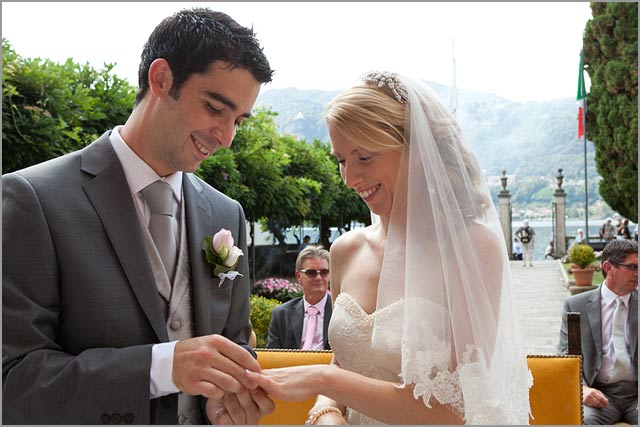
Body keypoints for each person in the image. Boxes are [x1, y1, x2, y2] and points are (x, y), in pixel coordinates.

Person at [2, 8, 275, 425]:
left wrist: (227, 402)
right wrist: (161, 367)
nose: (227, 137)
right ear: (161, 78)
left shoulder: (227, 213)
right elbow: (13, 380)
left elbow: (235, 347)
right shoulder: (32, 198)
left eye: (238, 120)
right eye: (215, 108)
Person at [240, 72, 532, 424]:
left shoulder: (471, 248)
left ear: (416, 150)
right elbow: (346, 362)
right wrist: (327, 412)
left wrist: (322, 378)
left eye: (364, 157)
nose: (349, 179)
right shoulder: (346, 250)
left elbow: (457, 408)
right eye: (342, 160)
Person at [558, 239, 638, 425]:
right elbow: (565, 356)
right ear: (609, 267)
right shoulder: (576, 306)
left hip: (636, 394)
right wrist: (582, 388)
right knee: (583, 421)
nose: (637, 273)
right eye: (632, 267)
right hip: (598, 394)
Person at [266, 245, 332, 350]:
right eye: (311, 272)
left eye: (324, 272)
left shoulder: (340, 313)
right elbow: (273, 357)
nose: (318, 278)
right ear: (298, 276)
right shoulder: (281, 315)